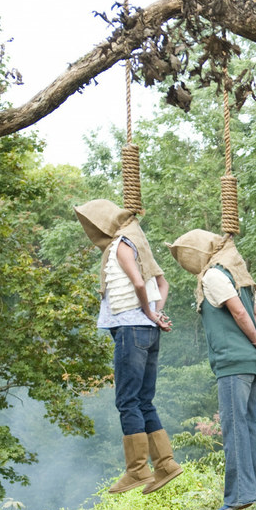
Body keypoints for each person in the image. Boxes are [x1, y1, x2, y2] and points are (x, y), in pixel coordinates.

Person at [167, 229, 256, 510]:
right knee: (251, 424)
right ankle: (254, 490)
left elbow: (240, 314)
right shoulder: (241, 278)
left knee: (234, 426)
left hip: (233, 362)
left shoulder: (213, 276)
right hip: (253, 362)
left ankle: (238, 495)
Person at [74, 199, 182, 495]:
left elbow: (138, 283)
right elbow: (163, 283)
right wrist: (157, 313)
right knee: (144, 400)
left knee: (127, 401)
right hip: (147, 330)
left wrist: (149, 312)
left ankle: (137, 470)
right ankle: (166, 464)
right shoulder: (139, 243)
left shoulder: (122, 243)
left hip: (132, 328)